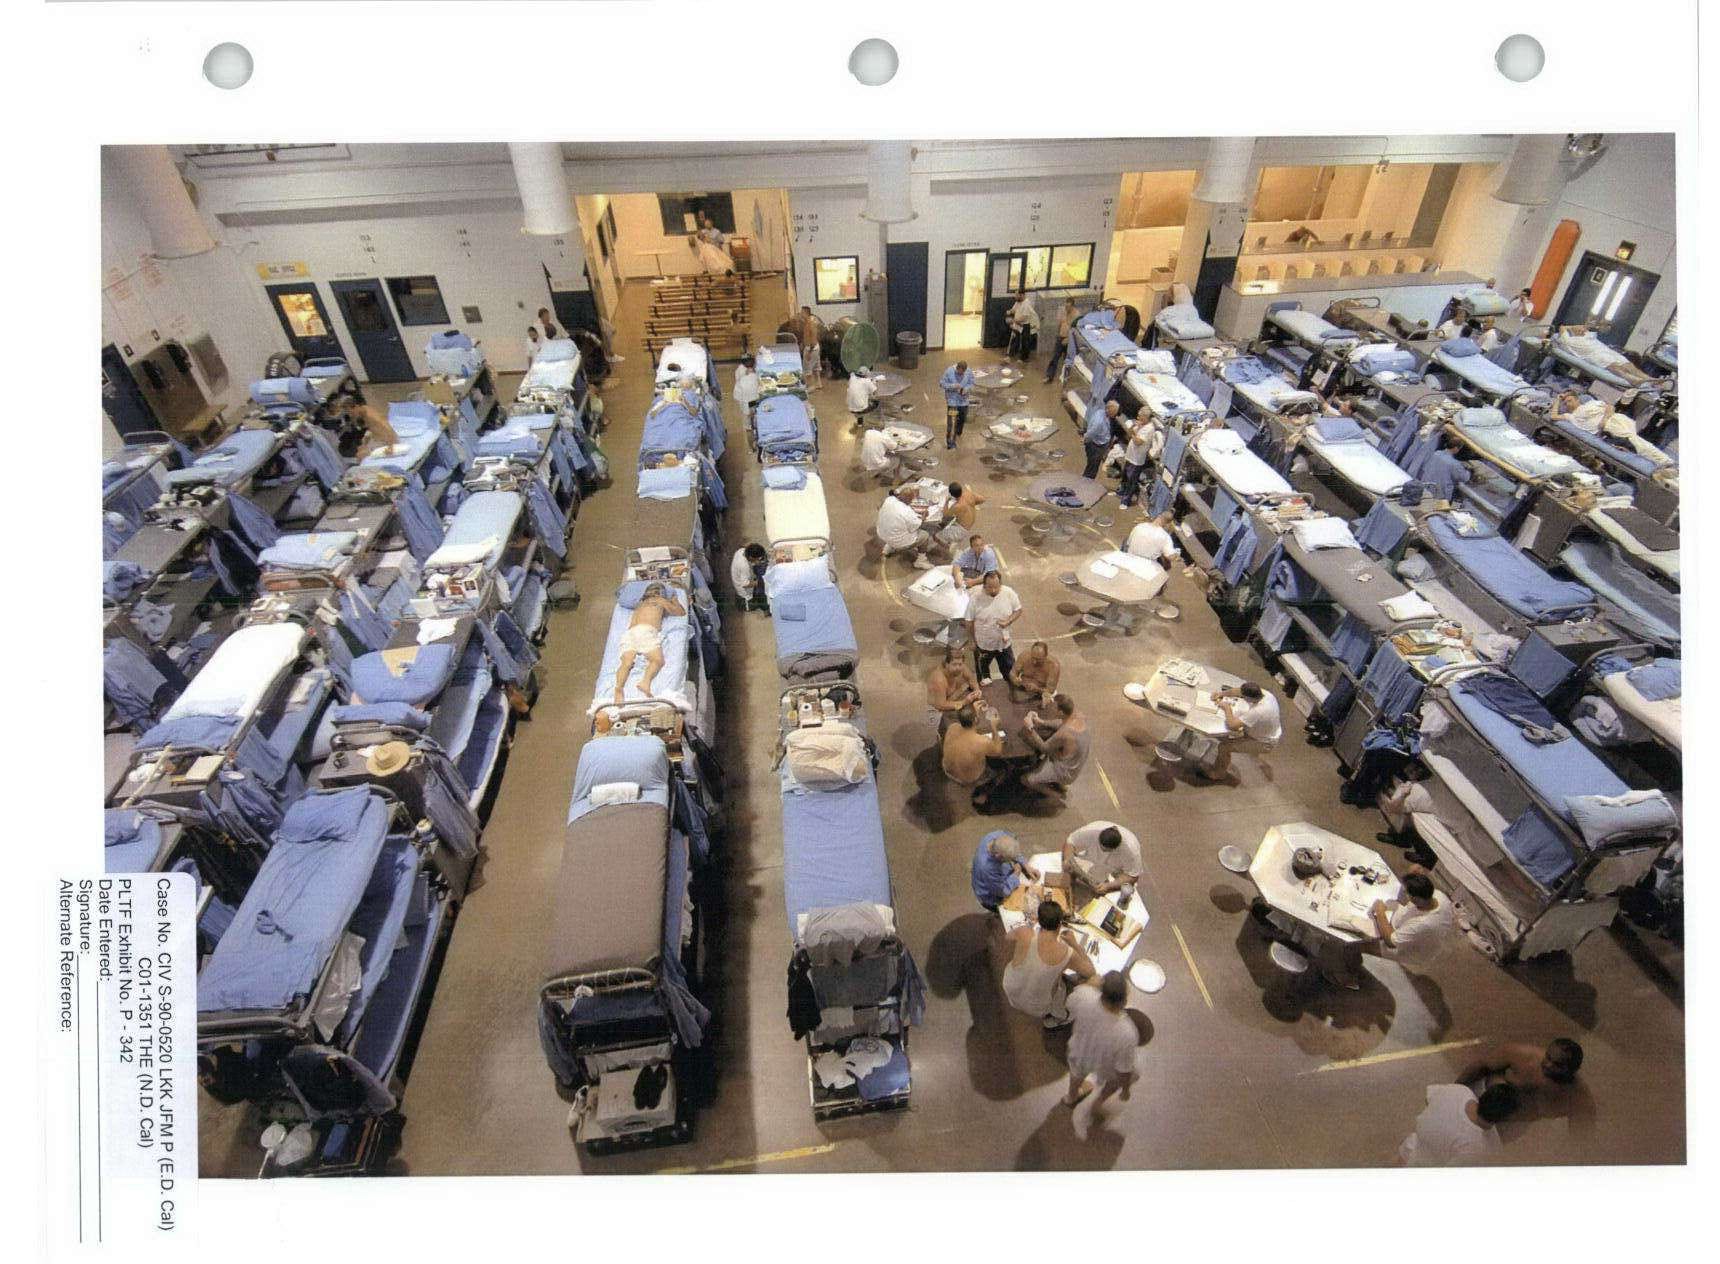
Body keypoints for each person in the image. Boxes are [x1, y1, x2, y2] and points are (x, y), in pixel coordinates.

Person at [1458, 1039, 1591, 1130]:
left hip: (1511, 1126)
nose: (1548, 1065)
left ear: (1572, 1070)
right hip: (1475, 1101)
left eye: (1557, 1064)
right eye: (1548, 1057)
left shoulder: (1578, 1099)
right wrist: (1456, 1089)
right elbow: (1480, 1065)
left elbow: (1580, 1141)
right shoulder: (1521, 1055)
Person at [1003, 899, 1095, 1029]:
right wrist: (1075, 944)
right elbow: (1091, 972)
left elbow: (1007, 938)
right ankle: (1059, 1018)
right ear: (1059, 924)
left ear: (1038, 920)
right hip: (1036, 1007)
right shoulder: (1067, 953)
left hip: (1010, 990)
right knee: (1069, 985)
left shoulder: (1023, 932)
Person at [1063, 971, 1139, 1108]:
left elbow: (1069, 1004)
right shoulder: (1127, 1033)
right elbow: (1123, 1070)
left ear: (1102, 990)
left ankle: (1071, 1097)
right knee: (1128, 1076)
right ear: (1124, 1001)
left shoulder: (1084, 995)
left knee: (1076, 1072)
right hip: (1104, 1064)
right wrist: (1125, 1090)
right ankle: (1098, 1103)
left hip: (1079, 1050)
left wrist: (1088, 986)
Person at [1397, 1083, 1516, 1166]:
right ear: (1504, 1119)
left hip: (1411, 1148)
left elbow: (1428, 1098)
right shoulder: (1478, 1149)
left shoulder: (1460, 1090)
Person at [1369, 867, 1455, 971]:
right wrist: (1413, 879)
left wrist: (1380, 912)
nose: (1405, 893)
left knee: (1363, 943)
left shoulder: (1423, 923)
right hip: (1412, 927)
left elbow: (1390, 942)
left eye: (1407, 893)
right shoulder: (1438, 895)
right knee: (1389, 904)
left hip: (1408, 950)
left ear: (1416, 899)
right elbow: (1406, 899)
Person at [613, 582, 685, 705]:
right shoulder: (660, 601)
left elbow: (624, 600)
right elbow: (680, 612)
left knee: (626, 663)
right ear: (660, 593)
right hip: (646, 632)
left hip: (629, 634)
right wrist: (674, 599)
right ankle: (645, 682)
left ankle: (618, 688)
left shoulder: (639, 604)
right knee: (657, 661)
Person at [1020, 693, 1090, 800]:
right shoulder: (1078, 716)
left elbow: (1044, 748)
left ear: (1061, 712)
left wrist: (1030, 728)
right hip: (1075, 763)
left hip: (1065, 771)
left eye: (1054, 708)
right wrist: (1041, 722)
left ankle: (1056, 795)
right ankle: (1056, 783)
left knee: (1026, 779)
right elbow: (1061, 723)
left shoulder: (1065, 733)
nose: (1052, 709)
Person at [1208, 681, 1282, 779]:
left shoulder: (1258, 711)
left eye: (1243, 697)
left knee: (1224, 747)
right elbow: (1238, 691)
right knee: (1225, 736)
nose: (1242, 697)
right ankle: (1222, 761)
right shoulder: (1267, 694)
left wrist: (1227, 708)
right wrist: (1221, 694)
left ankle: (1219, 773)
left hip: (1263, 742)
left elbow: (1232, 725)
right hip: (1263, 732)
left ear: (1249, 698)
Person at [967, 570, 1024, 682]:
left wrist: (1008, 621)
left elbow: (1018, 610)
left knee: (1011, 674)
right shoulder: (975, 598)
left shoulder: (1009, 593)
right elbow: (969, 621)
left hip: (1004, 644)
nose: (993, 590)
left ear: (1000, 584)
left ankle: (1011, 688)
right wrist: (971, 640)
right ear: (984, 585)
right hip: (983, 645)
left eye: (996, 587)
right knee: (983, 677)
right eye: (990, 587)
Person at [1062, 821, 1143, 895]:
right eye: (1101, 847)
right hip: (1091, 858)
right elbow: (1070, 842)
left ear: (1116, 847)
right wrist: (1067, 860)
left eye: (1107, 850)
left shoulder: (1131, 850)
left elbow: (1132, 876)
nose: (1103, 851)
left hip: (1115, 870)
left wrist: (1109, 886)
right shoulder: (1091, 831)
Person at [971, 831, 1039, 911]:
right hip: (990, 895)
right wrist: (1016, 874)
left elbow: (1012, 847)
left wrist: (1026, 865)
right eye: (1008, 860)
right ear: (998, 856)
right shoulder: (987, 869)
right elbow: (1003, 891)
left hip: (995, 878)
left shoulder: (998, 836)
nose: (1012, 860)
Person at [943, 705, 1007, 790]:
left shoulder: (952, 727)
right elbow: (998, 751)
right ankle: (984, 790)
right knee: (1003, 768)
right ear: (976, 719)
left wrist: (972, 712)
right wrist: (994, 727)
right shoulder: (982, 741)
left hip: (948, 771)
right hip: (969, 779)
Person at [876, 485, 937, 569]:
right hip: (898, 541)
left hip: (882, 533)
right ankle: (921, 560)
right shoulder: (907, 512)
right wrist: (924, 515)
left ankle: (889, 546)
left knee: (894, 524)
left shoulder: (889, 499)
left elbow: (879, 507)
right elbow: (916, 526)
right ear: (909, 500)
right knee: (924, 535)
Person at [926, 647, 982, 732]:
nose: (958, 668)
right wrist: (964, 702)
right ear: (946, 664)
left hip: (954, 698)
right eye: (954, 664)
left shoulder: (962, 668)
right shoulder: (939, 680)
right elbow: (940, 705)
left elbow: (971, 679)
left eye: (960, 664)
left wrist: (977, 690)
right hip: (937, 709)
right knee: (950, 732)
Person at [1118, 409, 1158, 507]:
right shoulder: (1140, 424)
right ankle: (1121, 492)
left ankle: (1125, 502)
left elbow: (1138, 442)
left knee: (1131, 481)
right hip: (1130, 455)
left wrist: (1134, 433)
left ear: (1146, 417)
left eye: (1140, 416)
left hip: (1137, 459)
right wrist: (1133, 427)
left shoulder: (1149, 429)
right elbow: (1129, 433)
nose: (1138, 418)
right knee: (1125, 476)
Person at [937, 480, 986, 551]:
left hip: (961, 530)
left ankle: (948, 548)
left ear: (951, 495)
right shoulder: (969, 494)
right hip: (967, 524)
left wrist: (946, 501)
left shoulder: (957, 506)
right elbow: (982, 499)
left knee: (937, 535)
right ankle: (950, 541)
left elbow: (945, 514)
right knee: (948, 524)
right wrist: (972, 504)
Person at [940, 360, 976, 448]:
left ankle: (958, 432)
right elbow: (942, 384)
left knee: (962, 418)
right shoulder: (949, 371)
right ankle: (950, 442)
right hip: (952, 401)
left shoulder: (969, 372)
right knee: (952, 422)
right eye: (959, 372)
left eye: (962, 373)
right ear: (957, 368)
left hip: (963, 401)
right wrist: (952, 386)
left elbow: (971, 383)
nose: (961, 374)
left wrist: (966, 389)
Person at [1083, 399, 1120, 480]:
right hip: (1096, 446)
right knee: (1092, 467)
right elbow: (1091, 432)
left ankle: (1087, 480)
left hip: (1099, 444)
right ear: (1109, 410)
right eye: (1114, 411)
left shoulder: (1101, 412)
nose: (1115, 414)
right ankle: (1086, 482)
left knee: (1093, 465)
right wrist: (1085, 438)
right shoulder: (1099, 421)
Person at [729, 542, 770, 612]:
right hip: (745, 595)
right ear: (751, 557)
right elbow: (745, 584)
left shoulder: (741, 551)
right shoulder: (745, 566)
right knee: (766, 600)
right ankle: (748, 605)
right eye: (758, 559)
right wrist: (761, 582)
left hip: (742, 578)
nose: (759, 560)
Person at [1044, 298, 1078, 383]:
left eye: (1068, 307)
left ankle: (1065, 378)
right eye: (1065, 306)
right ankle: (1049, 376)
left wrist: (1068, 339)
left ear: (1072, 306)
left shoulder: (1076, 315)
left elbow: (1076, 331)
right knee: (1054, 357)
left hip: (1069, 340)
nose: (1066, 309)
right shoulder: (1063, 311)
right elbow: (1060, 324)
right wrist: (1058, 334)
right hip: (1060, 337)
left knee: (1067, 360)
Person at [1006, 291, 1040, 362]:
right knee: (1015, 338)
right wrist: (1009, 311)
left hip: (1025, 325)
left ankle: (1024, 358)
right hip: (1017, 324)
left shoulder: (1026, 304)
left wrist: (1013, 321)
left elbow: (1024, 317)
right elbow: (1014, 309)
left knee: (1025, 342)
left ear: (1021, 295)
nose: (1015, 296)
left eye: (1016, 295)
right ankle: (1011, 354)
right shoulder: (1018, 302)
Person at [796, 306, 824, 381]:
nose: (800, 314)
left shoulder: (811, 322)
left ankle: (810, 385)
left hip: (811, 348)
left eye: (802, 312)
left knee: (807, 371)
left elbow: (813, 338)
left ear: (806, 313)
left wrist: (809, 351)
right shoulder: (807, 322)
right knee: (816, 369)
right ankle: (818, 384)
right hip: (813, 347)